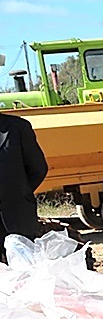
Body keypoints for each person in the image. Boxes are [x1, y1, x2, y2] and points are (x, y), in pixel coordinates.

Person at [0, 112, 49, 264]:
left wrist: (19, 191)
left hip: (17, 215)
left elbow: (38, 168)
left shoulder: (17, 127)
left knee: (25, 271)